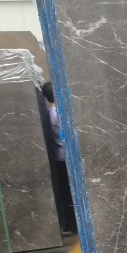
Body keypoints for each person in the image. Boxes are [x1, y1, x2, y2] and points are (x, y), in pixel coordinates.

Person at [41, 81, 77, 234]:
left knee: (66, 192)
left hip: (59, 157)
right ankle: (74, 224)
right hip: (66, 158)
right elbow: (65, 136)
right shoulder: (58, 114)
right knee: (71, 193)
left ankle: (70, 224)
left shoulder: (50, 112)